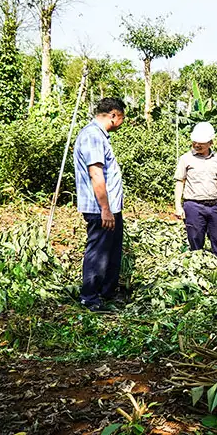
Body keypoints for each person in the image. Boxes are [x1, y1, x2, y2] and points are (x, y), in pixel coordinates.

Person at [73, 97, 127, 312]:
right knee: (98, 252)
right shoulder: (93, 136)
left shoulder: (99, 136)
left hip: (110, 208)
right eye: (122, 118)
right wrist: (105, 209)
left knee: (111, 251)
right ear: (113, 115)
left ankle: (106, 293)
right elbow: (96, 174)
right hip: (100, 209)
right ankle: (90, 298)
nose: (122, 123)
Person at [174, 122, 217, 258]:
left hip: (214, 206)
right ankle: (197, 264)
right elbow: (179, 182)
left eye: (201, 143)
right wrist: (178, 206)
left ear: (211, 143)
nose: (197, 145)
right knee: (195, 238)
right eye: (195, 142)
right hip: (193, 205)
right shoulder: (185, 159)